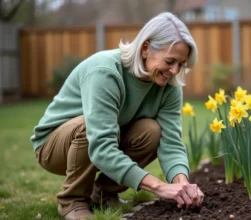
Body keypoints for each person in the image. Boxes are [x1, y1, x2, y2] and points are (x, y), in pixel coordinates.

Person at [31, 12, 204, 220]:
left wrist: (181, 183)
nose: (175, 70)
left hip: (108, 137)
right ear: (146, 48)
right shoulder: (106, 71)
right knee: (87, 126)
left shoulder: (169, 86)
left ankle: (104, 193)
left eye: (181, 64)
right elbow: (101, 145)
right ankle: (72, 201)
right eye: (170, 61)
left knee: (153, 130)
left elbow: (172, 142)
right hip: (55, 147)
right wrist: (158, 186)